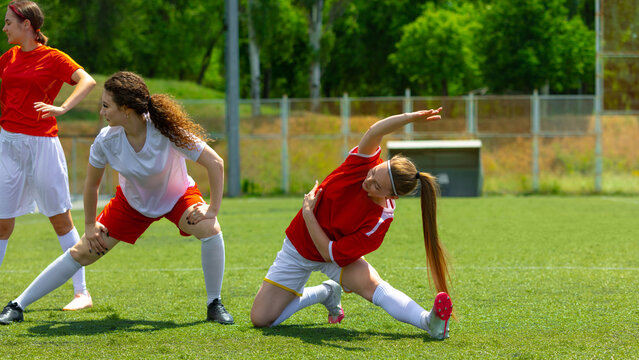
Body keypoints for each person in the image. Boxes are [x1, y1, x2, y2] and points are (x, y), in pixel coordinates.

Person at [0, 71, 234, 325]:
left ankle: (214, 303)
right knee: (82, 252)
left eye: (105, 105)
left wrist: (212, 209)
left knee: (210, 228)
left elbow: (215, 163)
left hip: (178, 197)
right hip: (131, 205)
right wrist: (90, 225)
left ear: (125, 109)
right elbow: (92, 185)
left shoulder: (166, 130)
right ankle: (17, 305)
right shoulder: (106, 140)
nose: (102, 112)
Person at [250, 108, 454, 339]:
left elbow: (329, 254)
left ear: (391, 197)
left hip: (331, 255)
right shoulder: (361, 164)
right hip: (298, 248)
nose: (368, 181)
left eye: (377, 186)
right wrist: (411, 118)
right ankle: (324, 292)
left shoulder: (379, 221)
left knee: (375, 288)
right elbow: (375, 131)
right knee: (261, 320)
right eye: (373, 174)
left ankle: (429, 321)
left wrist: (308, 213)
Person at [0, 1, 96, 311]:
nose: (4, 29)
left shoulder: (53, 58)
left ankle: (82, 293)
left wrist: (62, 107)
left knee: (60, 220)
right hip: (8, 144)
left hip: (42, 144)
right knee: (1, 223)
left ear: (26, 24)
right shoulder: (7, 58)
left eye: (8, 23)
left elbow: (87, 80)